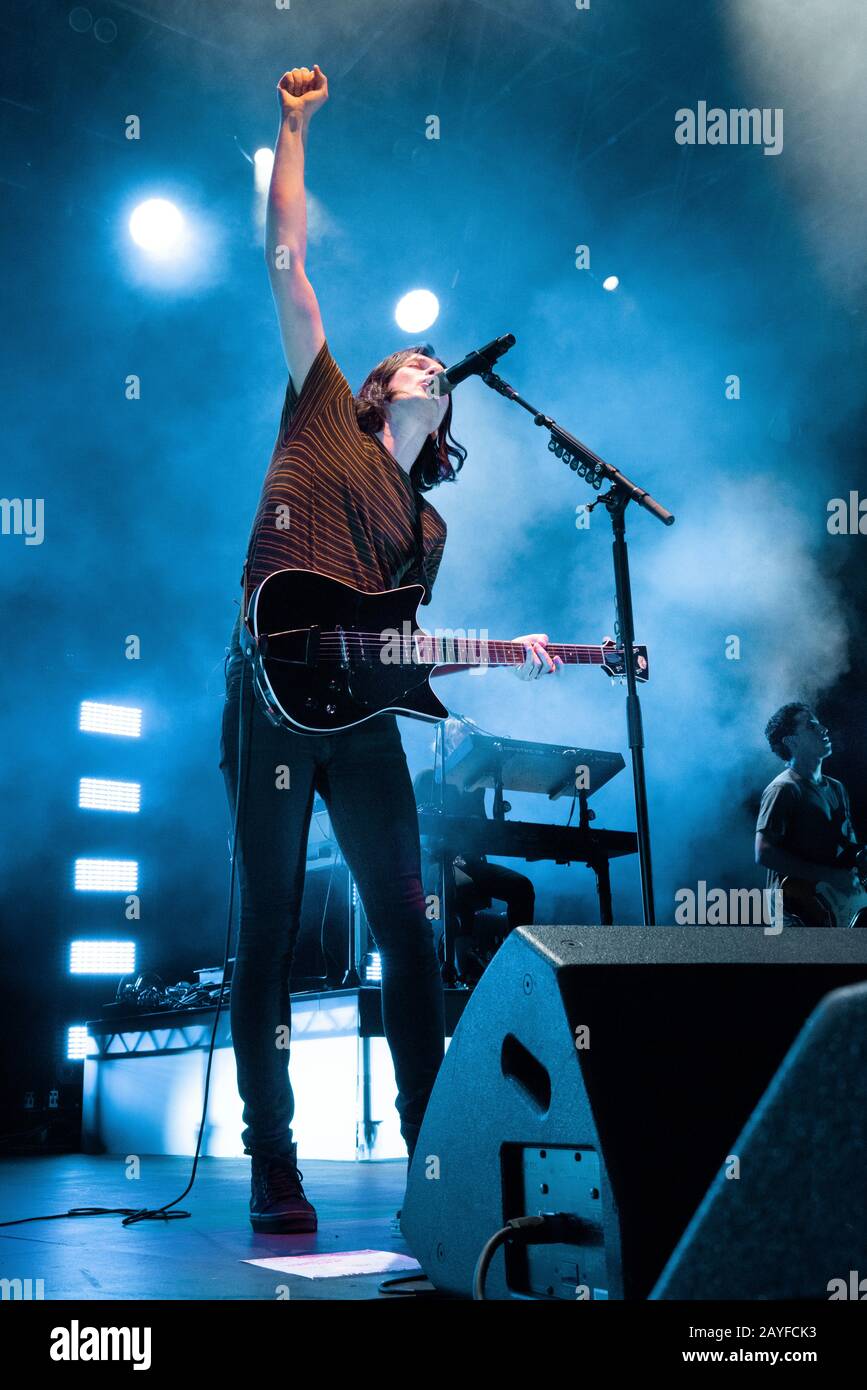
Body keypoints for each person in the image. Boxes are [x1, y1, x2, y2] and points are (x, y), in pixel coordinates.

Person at [220, 65, 561, 1234]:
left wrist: (503, 655)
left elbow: (398, 646)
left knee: (412, 931)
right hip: (269, 694)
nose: (428, 361)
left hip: (360, 720)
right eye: (411, 358)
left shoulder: (430, 529)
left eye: (437, 368)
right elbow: (287, 261)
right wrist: (291, 128)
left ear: (448, 414)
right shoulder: (323, 406)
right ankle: (274, 1161)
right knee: (267, 931)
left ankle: (434, 1158)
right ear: (380, 386)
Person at [413, 716, 535, 981]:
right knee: (459, 886)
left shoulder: (476, 785)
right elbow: (414, 829)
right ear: (446, 744)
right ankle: (457, 964)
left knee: (521, 887)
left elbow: (482, 831)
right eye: (462, 736)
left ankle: (517, 962)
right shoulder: (426, 779)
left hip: (468, 862)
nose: (469, 741)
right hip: (433, 863)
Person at [755, 703, 861, 927]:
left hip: (827, 909)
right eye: (811, 726)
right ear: (791, 741)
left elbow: (849, 847)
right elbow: (764, 853)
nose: (824, 729)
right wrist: (830, 876)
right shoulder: (783, 789)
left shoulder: (836, 788)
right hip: (794, 915)